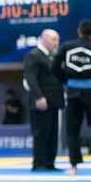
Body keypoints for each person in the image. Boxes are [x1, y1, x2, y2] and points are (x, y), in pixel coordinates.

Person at [52, 19, 91, 175]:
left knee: (72, 128)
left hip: (73, 93)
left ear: (79, 31)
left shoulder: (66, 47)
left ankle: (73, 166)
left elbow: (54, 67)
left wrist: (67, 81)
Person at [22, 30, 62, 171]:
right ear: (44, 40)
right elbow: (30, 79)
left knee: (52, 133)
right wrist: (39, 97)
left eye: (57, 40)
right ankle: (39, 163)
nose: (56, 43)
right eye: (53, 40)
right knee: (41, 133)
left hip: (53, 101)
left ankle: (49, 162)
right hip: (40, 101)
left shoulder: (52, 57)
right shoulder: (33, 56)